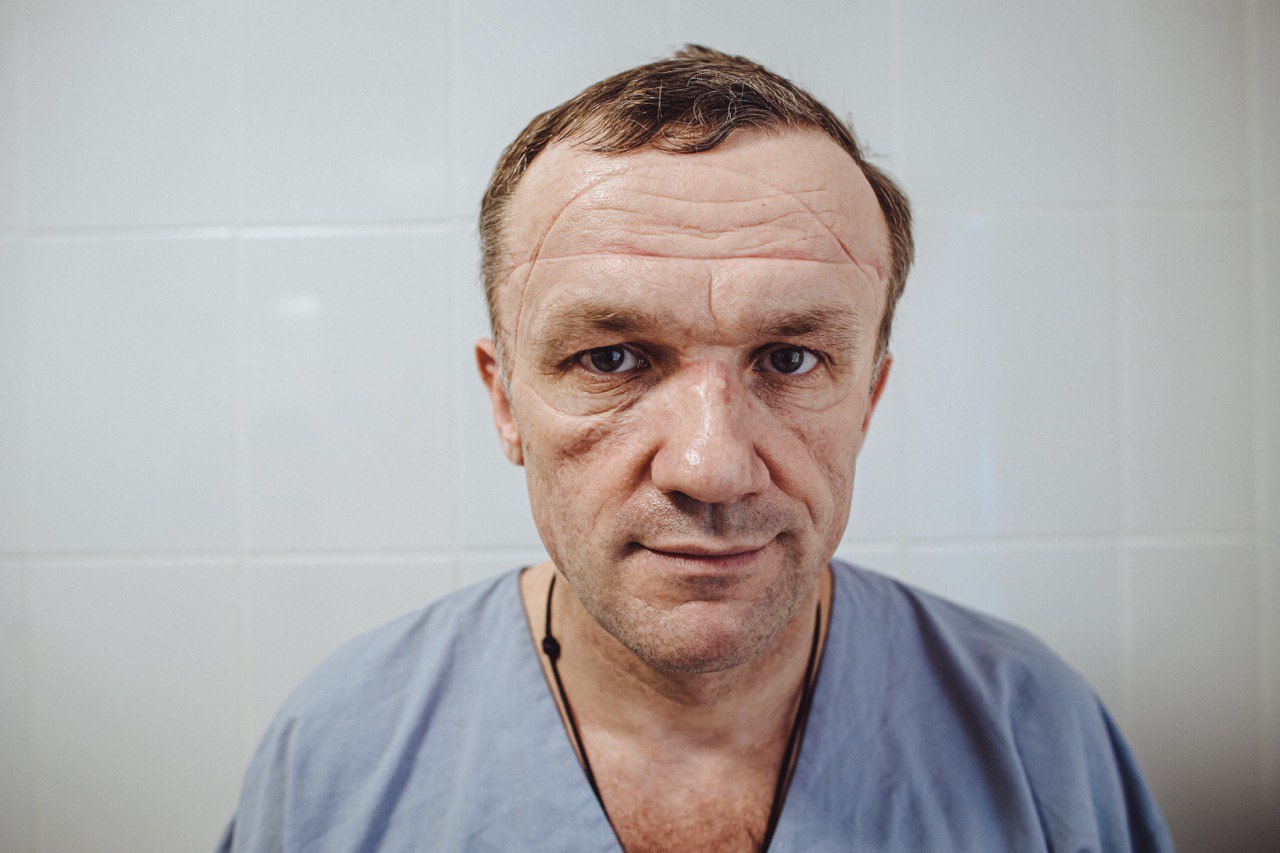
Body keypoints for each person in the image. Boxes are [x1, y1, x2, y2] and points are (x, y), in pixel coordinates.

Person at [219, 46, 1172, 851]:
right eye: (612, 358)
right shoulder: (339, 757)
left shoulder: (1034, 737)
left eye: (790, 358)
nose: (711, 467)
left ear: (869, 401)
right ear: (505, 400)